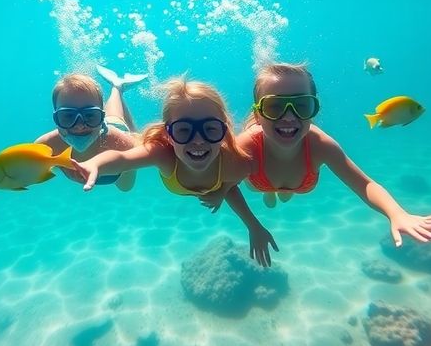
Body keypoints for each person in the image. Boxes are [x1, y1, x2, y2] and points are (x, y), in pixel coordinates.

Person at [232, 62, 431, 247]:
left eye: (302, 105)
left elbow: (365, 184)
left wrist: (397, 213)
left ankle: (280, 192)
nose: (289, 117)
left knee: (288, 192)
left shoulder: (321, 145)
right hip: (261, 181)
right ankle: (272, 192)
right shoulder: (246, 145)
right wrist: (254, 225)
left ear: (314, 110)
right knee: (275, 193)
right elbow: (223, 183)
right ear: (258, 116)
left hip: (297, 184)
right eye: (274, 107)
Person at [74, 77, 279, 266]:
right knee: (117, 123)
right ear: (168, 135)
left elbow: (232, 182)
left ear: (224, 132)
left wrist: (246, 217)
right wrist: (96, 164)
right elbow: (123, 158)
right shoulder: (163, 154)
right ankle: (117, 88)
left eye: (210, 129)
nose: (198, 140)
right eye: (183, 130)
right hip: (136, 142)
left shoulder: (235, 162)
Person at [0, 67, 146, 217]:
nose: (79, 126)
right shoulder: (46, 146)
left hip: (117, 144)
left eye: (90, 115)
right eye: (68, 117)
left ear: (99, 116)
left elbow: (147, 151)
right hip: (105, 128)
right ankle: (117, 88)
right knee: (114, 116)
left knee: (125, 183)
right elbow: (16, 164)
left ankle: (117, 88)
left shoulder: (121, 141)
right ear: (55, 118)